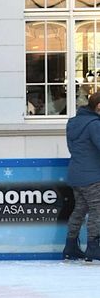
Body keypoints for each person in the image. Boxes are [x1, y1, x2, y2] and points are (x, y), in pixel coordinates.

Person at [65, 91, 100, 262]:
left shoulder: (73, 122)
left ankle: (70, 246)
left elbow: (73, 148)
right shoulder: (94, 124)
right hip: (92, 176)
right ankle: (93, 247)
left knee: (79, 210)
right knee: (97, 210)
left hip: (76, 174)